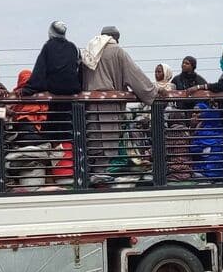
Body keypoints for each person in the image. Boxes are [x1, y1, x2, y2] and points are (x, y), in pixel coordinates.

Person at [80, 26, 158, 179]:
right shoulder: (117, 51)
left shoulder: (89, 50)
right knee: (108, 144)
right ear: (116, 37)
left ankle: (94, 180)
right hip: (110, 107)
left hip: (88, 107)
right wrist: (153, 92)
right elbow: (135, 76)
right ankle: (103, 182)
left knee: (94, 145)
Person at [27, 21, 82, 95]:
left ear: (51, 31)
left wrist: (29, 88)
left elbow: (39, 70)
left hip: (54, 89)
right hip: (73, 88)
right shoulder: (73, 47)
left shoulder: (48, 46)